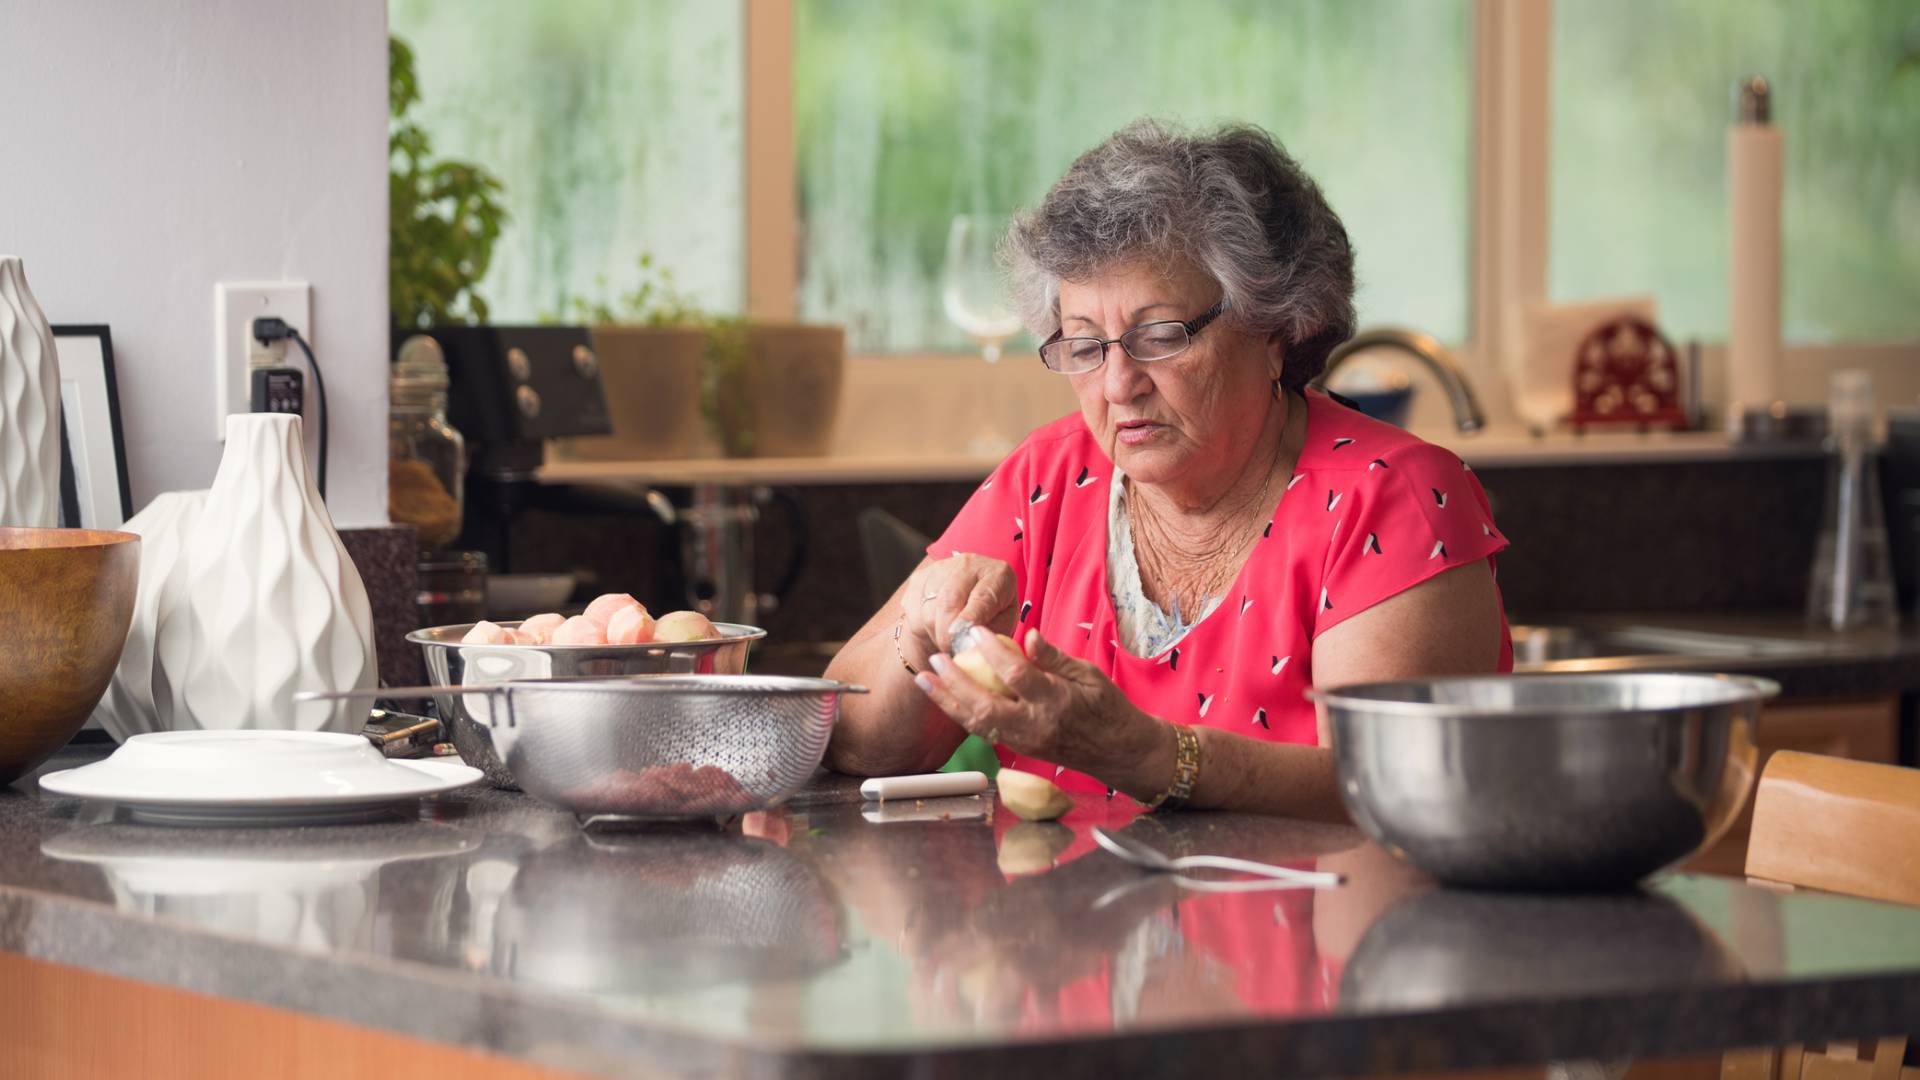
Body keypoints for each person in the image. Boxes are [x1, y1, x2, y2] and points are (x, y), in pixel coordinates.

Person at [825, 119, 1509, 819]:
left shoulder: (1393, 498)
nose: (1119, 385)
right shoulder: (1051, 477)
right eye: (1084, 346)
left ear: (1274, 329)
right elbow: (844, 732)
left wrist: (1144, 754)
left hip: (1323, 923)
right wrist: (921, 639)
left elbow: (1393, 791)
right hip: (1061, 922)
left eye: (1158, 337)